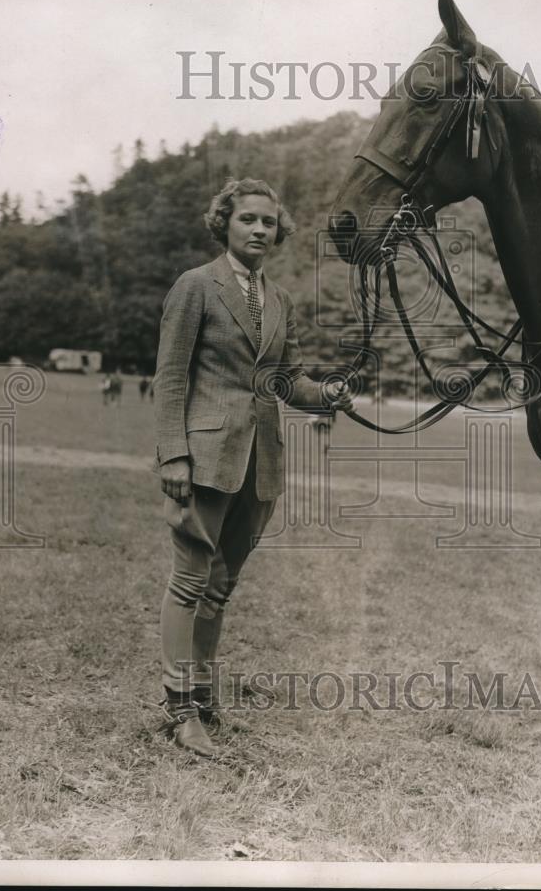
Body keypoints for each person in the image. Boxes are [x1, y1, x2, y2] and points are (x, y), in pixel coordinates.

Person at [152, 177, 352, 756]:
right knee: (190, 582)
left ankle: (205, 698)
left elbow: (286, 380)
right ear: (225, 224)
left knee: (220, 587)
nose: (260, 229)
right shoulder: (196, 287)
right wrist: (175, 456)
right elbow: (170, 378)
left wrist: (328, 392)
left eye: (269, 222)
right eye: (248, 219)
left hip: (262, 462)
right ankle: (178, 709)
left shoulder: (280, 298)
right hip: (206, 460)